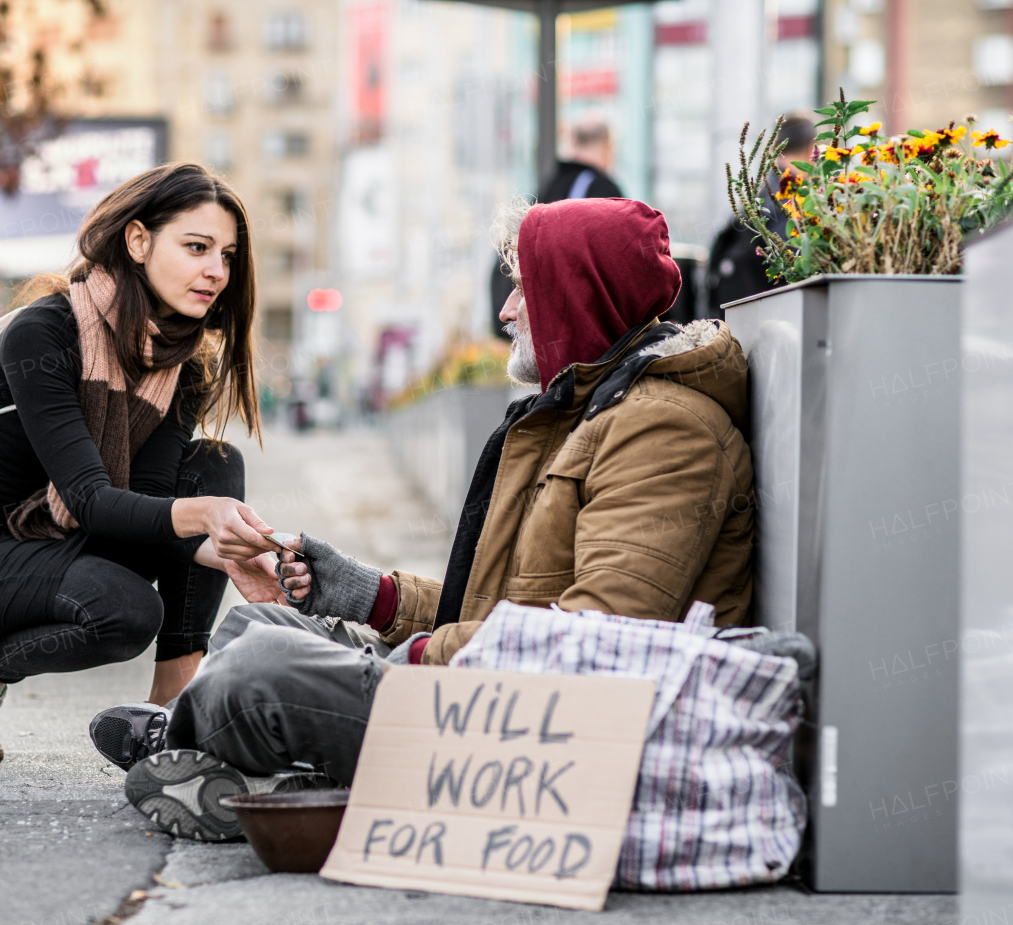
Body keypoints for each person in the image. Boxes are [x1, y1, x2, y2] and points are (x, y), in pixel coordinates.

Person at [105, 197, 756, 842]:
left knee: (261, 666)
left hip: (543, 734)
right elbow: (502, 609)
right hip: (499, 693)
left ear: (578, 294)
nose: (504, 311)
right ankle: (270, 778)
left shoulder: (665, 428)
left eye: (523, 290)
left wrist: (414, 658)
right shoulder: (592, 411)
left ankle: (212, 754)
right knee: (257, 621)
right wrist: (373, 595)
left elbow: (593, 641)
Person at [0, 163, 285, 764]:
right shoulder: (43, 334)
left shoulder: (183, 363)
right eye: (197, 247)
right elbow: (90, 500)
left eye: (228, 256)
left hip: (64, 545)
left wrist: (233, 549)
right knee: (126, 611)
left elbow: (150, 500)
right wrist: (204, 520)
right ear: (137, 241)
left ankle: (172, 705)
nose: (217, 271)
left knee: (213, 464)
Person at [491, 118, 624, 339]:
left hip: (529, 317)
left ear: (574, 144)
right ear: (608, 146)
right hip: (566, 326)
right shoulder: (603, 188)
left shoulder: (552, 182)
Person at [706, 114, 816, 314]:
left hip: (744, 312)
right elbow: (799, 265)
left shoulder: (762, 192)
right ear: (812, 148)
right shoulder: (793, 198)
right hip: (777, 316)